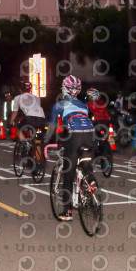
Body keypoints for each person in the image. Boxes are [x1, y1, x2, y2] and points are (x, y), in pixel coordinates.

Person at [43, 75, 94, 221]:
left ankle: (67, 211)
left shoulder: (59, 105)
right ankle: (90, 185)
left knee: (68, 174)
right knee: (86, 165)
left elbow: (52, 126)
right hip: (91, 136)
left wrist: (45, 142)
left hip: (75, 136)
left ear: (64, 89)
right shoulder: (84, 105)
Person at [10, 81, 47, 173]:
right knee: (37, 141)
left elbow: (15, 112)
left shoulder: (18, 98)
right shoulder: (37, 97)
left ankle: (26, 144)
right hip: (42, 119)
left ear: (20, 89)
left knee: (18, 129)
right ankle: (38, 165)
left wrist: (10, 122)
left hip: (30, 118)